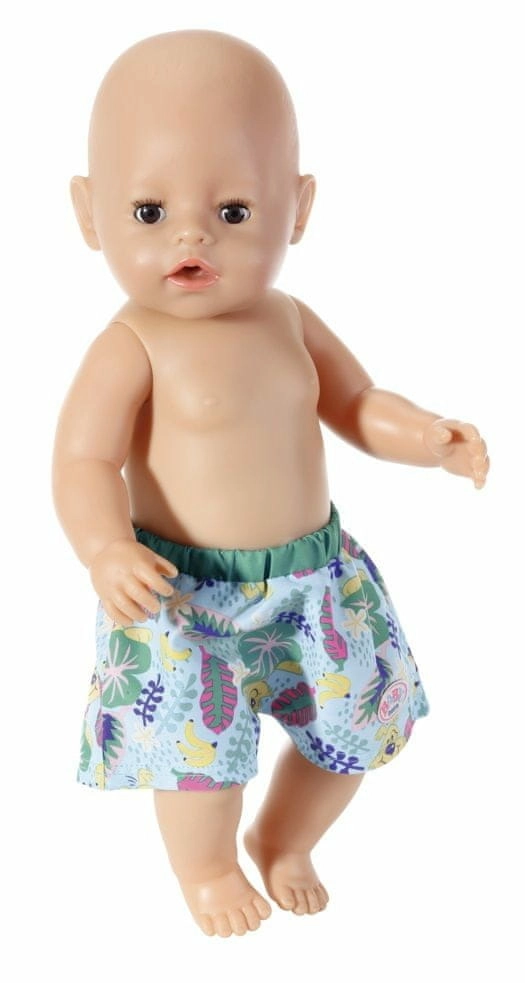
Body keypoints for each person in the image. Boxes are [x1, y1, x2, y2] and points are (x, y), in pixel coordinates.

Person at [52, 30, 489, 938]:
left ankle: (284, 839)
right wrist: (105, 547)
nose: (191, 234)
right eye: (148, 211)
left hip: (316, 580)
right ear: (90, 215)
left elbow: (356, 402)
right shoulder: (131, 344)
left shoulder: (288, 319)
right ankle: (209, 866)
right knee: (199, 761)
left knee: (351, 732)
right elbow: (83, 460)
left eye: (234, 209)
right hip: (182, 596)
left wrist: (425, 436)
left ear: (298, 208)